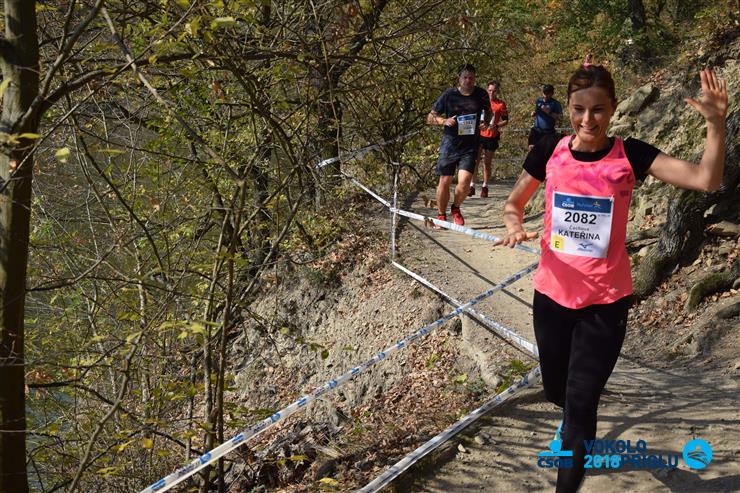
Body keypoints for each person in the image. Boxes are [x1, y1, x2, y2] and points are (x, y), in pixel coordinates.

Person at [495, 65, 727, 492]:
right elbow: (514, 203)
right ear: (568, 108)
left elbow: (706, 179)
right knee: (557, 392)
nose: (588, 120)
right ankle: (572, 425)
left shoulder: (630, 155)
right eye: (578, 109)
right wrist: (514, 224)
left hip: (605, 304)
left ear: (614, 108)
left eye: (598, 110)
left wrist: (716, 124)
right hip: (552, 297)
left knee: (582, 402)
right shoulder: (548, 149)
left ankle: (572, 457)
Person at [427, 64, 490, 226]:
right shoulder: (449, 95)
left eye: (471, 78)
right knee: (445, 180)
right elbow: (430, 117)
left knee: (464, 182)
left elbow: (487, 114)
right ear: (459, 78)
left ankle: (455, 208)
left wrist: (485, 124)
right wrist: (444, 120)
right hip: (450, 145)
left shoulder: (481, 94)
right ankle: (441, 215)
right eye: (465, 77)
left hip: (470, 146)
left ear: (475, 79)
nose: (468, 81)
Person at [469, 80, 509, 198]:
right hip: (479, 135)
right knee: (475, 161)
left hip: (492, 136)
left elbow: (506, 120)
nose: (491, 93)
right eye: (490, 90)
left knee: (487, 163)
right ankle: (472, 186)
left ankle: (485, 187)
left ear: (498, 91)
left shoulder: (501, 104)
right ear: (487, 90)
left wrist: (496, 126)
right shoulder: (481, 101)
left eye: (494, 91)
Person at [528, 84, 563, 151]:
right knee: (532, 149)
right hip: (536, 130)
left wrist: (549, 112)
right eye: (544, 92)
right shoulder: (539, 101)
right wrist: (534, 113)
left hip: (548, 132)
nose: (545, 95)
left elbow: (560, 118)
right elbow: (537, 111)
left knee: (546, 152)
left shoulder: (555, 104)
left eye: (548, 93)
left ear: (552, 93)